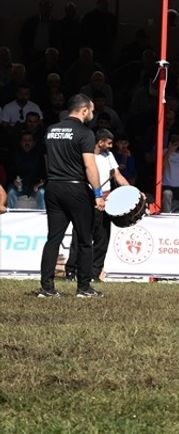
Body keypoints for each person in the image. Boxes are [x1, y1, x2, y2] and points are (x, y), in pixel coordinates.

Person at [38, 94, 104, 298]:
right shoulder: (85, 133)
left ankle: (47, 288)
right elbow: (89, 165)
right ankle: (84, 288)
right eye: (91, 111)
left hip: (53, 187)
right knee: (85, 239)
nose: (92, 115)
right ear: (84, 110)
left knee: (53, 238)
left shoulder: (51, 130)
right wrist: (98, 193)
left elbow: (46, 159)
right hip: (76, 188)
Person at [67, 129, 130, 282]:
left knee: (103, 238)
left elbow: (117, 176)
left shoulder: (108, 155)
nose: (110, 146)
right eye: (108, 143)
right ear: (100, 142)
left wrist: (131, 191)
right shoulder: (85, 154)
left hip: (107, 201)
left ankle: (94, 273)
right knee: (80, 236)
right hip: (87, 199)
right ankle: (71, 271)